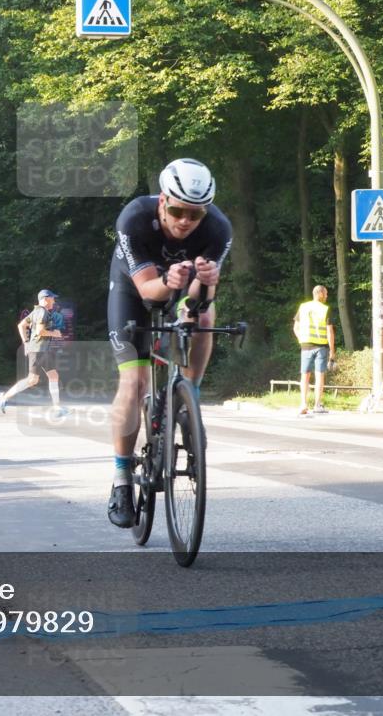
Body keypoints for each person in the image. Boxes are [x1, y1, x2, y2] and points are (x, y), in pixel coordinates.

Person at [106, 158, 233, 528]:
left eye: (195, 214)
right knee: (134, 383)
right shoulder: (134, 218)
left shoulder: (218, 228)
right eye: (177, 211)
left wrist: (205, 281)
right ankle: (121, 477)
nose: (185, 221)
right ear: (162, 201)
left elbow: (200, 301)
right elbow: (148, 290)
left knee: (204, 318)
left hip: (182, 287)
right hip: (134, 289)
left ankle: (189, 395)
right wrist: (169, 280)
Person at [0, 289, 68, 416]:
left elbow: (21, 325)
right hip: (38, 350)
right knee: (32, 380)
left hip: (41, 350)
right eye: (52, 298)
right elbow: (40, 331)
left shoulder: (36, 311)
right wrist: (54, 333)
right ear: (45, 299)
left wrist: (25, 342)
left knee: (53, 376)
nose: (54, 301)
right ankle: (3, 398)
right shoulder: (42, 312)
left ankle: (57, 408)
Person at [293, 285, 336, 417]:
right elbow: (329, 332)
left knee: (304, 376)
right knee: (319, 376)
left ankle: (303, 404)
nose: (327, 296)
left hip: (305, 345)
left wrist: (301, 339)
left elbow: (296, 327)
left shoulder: (303, 307)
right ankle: (317, 405)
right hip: (321, 347)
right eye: (326, 293)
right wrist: (332, 351)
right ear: (320, 294)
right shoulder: (325, 309)